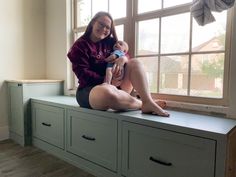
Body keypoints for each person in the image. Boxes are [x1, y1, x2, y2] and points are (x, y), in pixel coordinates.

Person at [67, 11, 169, 117]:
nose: (104, 29)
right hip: (90, 91)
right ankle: (142, 104)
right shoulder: (79, 46)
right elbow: (83, 74)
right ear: (93, 23)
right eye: (101, 24)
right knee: (106, 92)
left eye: (107, 27)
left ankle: (147, 100)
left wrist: (123, 59)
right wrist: (109, 81)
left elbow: (124, 53)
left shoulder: (111, 42)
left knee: (135, 62)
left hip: (117, 86)